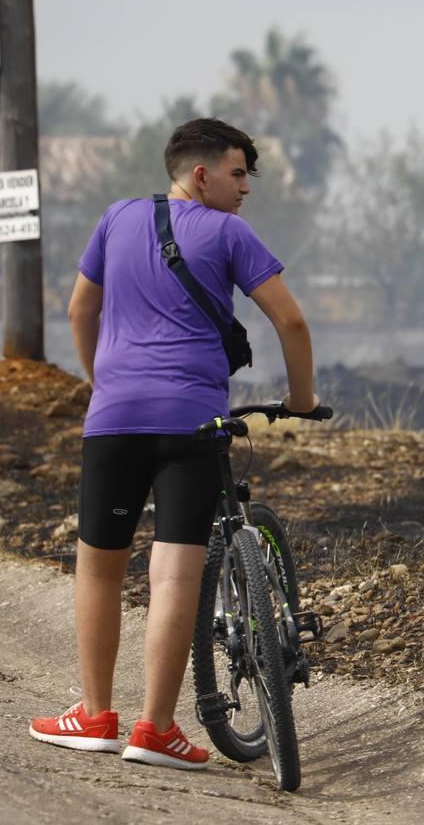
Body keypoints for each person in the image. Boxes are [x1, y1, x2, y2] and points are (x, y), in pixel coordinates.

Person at [28, 118, 318, 770]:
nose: (246, 189)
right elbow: (291, 319)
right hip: (192, 420)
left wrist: (105, 383)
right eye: (239, 173)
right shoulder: (229, 233)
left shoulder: (115, 219)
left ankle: (96, 716)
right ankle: (155, 730)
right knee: (173, 573)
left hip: (115, 419)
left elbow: (80, 310)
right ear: (201, 175)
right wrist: (301, 400)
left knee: (100, 566)